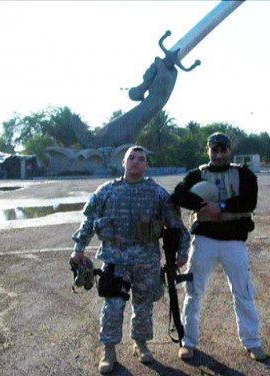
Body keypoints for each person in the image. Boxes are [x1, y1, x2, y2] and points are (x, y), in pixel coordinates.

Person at [70, 145, 190, 374]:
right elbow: (88, 222)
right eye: (131, 158)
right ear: (123, 163)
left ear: (147, 165)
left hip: (147, 260)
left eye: (141, 159)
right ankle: (109, 349)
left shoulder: (157, 193)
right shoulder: (106, 191)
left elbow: (176, 226)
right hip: (115, 259)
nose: (136, 162)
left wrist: (183, 252)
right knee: (113, 305)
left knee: (143, 305)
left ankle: (140, 343)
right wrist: (78, 249)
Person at [171, 132, 268, 362]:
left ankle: (252, 341)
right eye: (214, 150)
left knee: (243, 291)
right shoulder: (197, 174)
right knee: (194, 292)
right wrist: (203, 205)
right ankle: (188, 341)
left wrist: (221, 206)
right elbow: (178, 194)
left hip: (234, 240)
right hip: (204, 239)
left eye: (223, 150)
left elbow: (249, 201)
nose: (218, 154)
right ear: (208, 150)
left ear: (229, 151)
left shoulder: (243, 174)